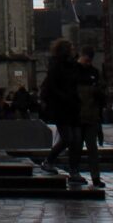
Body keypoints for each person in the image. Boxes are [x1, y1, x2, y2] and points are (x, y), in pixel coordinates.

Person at [41, 39, 80, 180]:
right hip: (61, 108)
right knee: (68, 138)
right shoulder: (56, 66)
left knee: (76, 139)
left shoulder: (74, 65)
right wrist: (65, 97)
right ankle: (48, 161)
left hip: (73, 108)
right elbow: (52, 87)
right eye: (71, 48)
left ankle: (74, 170)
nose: (74, 49)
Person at [71, 48, 105, 189]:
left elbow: (100, 96)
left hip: (91, 116)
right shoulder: (73, 70)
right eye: (86, 60)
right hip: (77, 117)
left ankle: (95, 178)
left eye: (89, 61)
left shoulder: (94, 73)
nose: (88, 63)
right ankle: (74, 173)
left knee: (93, 149)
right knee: (76, 147)